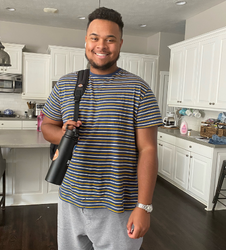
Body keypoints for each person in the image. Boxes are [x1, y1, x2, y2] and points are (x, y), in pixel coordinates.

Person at [42, 7, 162, 250]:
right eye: (95, 38)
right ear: (86, 40)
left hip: (118, 205)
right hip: (71, 201)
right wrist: (64, 133)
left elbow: (148, 149)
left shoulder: (138, 88)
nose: (102, 45)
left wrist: (144, 206)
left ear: (120, 43)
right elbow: (47, 127)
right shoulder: (66, 84)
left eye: (110, 39)